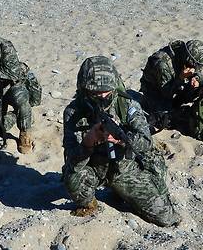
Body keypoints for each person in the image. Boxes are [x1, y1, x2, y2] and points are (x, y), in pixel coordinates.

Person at [62, 56, 180, 227]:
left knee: (166, 218)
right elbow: (71, 159)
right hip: (93, 168)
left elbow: (145, 141)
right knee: (72, 178)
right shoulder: (73, 112)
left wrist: (122, 140)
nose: (102, 96)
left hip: (123, 168)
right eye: (94, 92)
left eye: (106, 91)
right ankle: (89, 204)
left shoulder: (127, 104)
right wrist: (88, 143)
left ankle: (122, 191)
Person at [139, 40, 203, 139]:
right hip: (155, 93)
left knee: (197, 89)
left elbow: (201, 78)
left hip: (173, 87)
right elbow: (166, 93)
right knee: (166, 119)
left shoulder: (185, 59)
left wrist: (198, 80)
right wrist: (181, 78)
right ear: (189, 60)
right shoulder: (162, 63)